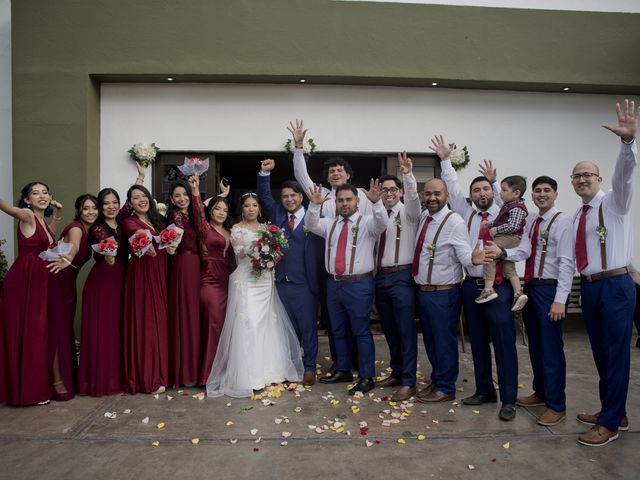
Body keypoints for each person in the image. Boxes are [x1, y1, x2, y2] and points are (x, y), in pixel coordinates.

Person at [430, 134, 519, 421]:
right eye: (476, 190)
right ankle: (484, 390)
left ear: (493, 191)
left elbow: (519, 246)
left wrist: (504, 256)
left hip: (499, 288)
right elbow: (453, 187)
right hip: (471, 286)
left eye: (486, 189)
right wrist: (445, 160)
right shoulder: (466, 213)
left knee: (504, 342)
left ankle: (508, 398)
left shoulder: (505, 214)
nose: (481, 194)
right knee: (477, 341)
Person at [571, 99, 638, 447]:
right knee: (600, 353)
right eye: (576, 176)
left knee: (615, 354)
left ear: (598, 179)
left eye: (587, 175)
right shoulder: (578, 215)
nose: (582, 179)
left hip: (615, 285)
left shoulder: (615, 202)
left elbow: (625, 175)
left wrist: (628, 144)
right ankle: (614, 410)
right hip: (591, 287)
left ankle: (610, 423)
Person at [487, 176, 574, 426]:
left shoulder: (563, 221)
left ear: (555, 194)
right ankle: (541, 393)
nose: (542, 194)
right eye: (537, 191)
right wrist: (504, 252)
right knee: (535, 346)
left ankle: (557, 405)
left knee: (551, 349)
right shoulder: (533, 220)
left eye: (547, 190)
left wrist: (560, 299)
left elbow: (568, 263)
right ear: (532, 195)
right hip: (533, 286)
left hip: (551, 289)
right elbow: (524, 249)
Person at [206, 192, 304, 398]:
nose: (251, 209)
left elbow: (276, 254)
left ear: (259, 208)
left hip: (265, 280)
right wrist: (259, 248)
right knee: (249, 323)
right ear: (242, 209)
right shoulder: (236, 228)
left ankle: (269, 371)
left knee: (267, 323)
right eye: (247, 206)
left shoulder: (267, 229)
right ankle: (248, 375)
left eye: (254, 205)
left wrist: (271, 253)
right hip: (247, 280)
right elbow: (240, 252)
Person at [289, 119, 364, 373]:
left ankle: (358, 361)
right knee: (333, 318)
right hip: (325, 261)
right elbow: (300, 174)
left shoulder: (360, 196)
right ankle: (339, 362)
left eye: (339, 170)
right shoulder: (319, 195)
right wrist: (298, 147)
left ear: (348, 175)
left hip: (356, 265)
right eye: (331, 171)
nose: (335, 173)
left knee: (357, 317)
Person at [305, 181, 388, 395]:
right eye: (340, 200)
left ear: (357, 201)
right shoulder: (329, 223)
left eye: (348, 199)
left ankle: (367, 376)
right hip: (333, 283)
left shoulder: (368, 222)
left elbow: (383, 223)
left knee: (360, 331)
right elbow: (311, 224)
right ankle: (343, 369)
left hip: (359, 284)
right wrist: (314, 205)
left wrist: (377, 202)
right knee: (338, 330)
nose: (344, 203)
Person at [412, 178, 487, 403]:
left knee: (444, 342)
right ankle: (438, 379)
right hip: (424, 291)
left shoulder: (454, 222)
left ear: (446, 196)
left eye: (437, 194)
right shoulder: (425, 217)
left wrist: (474, 260)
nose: (432, 198)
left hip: (444, 293)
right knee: (431, 341)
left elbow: (464, 256)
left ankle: (446, 387)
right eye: (428, 194)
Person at [78, 165, 145, 396]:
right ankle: (103, 381)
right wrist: (108, 253)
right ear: (99, 207)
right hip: (104, 280)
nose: (111, 206)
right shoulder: (98, 228)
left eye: (113, 202)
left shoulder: (123, 218)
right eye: (105, 203)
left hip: (123, 277)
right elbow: (108, 247)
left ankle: (120, 377)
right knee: (105, 330)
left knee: (120, 329)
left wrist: (140, 178)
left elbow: (131, 200)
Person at [257, 158, 324, 386]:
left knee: (308, 328)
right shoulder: (277, 215)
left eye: (293, 195)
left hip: (306, 283)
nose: (288, 199)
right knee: (286, 329)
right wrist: (264, 174)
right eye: (285, 196)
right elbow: (264, 197)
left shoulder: (315, 217)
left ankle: (309, 367)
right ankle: (292, 366)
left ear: (301, 197)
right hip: (282, 283)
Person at [0, 182, 61, 405]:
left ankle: (29, 388)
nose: (42, 196)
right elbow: (8, 209)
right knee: (30, 332)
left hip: (37, 281)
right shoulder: (26, 214)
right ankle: (28, 392)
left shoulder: (42, 221)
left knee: (35, 332)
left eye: (45, 192)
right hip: (23, 282)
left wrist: (58, 215)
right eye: (35, 193)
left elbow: (49, 243)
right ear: (27, 199)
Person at [373, 152, 421, 401]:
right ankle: (397, 372)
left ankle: (409, 381)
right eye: (384, 190)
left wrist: (408, 174)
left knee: (405, 330)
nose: (388, 193)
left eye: (393, 189)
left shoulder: (410, 213)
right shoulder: (378, 213)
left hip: (402, 276)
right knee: (389, 329)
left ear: (400, 192)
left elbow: (413, 198)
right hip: (380, 277)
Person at [46, 193, 99, 401]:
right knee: (57, 330)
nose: (91, 212)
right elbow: (74, 245)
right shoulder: (77, 228)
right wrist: (69, 255)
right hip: (56, 279)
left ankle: (68, 377)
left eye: (94, 208)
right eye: (86, 208)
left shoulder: (92, 231)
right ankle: (56, 380)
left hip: (68, 282)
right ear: (79, 211)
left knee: (64, 328)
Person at [122, 185, 172, 394]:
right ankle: (148, 377)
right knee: (147, 321)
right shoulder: (128, 222)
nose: (141, 200)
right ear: (130, 203)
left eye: (144, 196)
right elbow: (136, 236)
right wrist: (143, 239)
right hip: (142, 273)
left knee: (159, 321)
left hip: (159, 272)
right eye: (136, 197)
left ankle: (161, 373)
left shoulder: (157, 220)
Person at [188, 174, 234, 386]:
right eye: (217, 209)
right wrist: (196, 191)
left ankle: (224, 373)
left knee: (226, 328)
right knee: (213, 326)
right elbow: (197, 210)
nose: (221, 213)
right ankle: (208, 376)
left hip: (228, 284)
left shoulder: (230, 231)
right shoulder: (205, 228)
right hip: (209, 284)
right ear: (210, 211)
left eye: (224, 209)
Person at [475, 175, 529, 312]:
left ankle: (488, 289)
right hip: (508, 237)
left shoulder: (517, 208)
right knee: (508, 264)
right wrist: (490, 223)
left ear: (516, 193)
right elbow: (502, 220)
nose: (500, 193)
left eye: (504, 190)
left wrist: (495, 229)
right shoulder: (509, 206)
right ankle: (518, 292)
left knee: (489, 254)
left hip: (509, 237)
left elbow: (513, 226)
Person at [166, 179, 201, 387]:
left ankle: (196, 368)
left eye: (185, 194)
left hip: (198, 264)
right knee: (186, 314)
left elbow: (201, 217)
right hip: (184, 263)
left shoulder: (194, 213)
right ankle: (185, 370)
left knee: (196, 314)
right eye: (177, 195)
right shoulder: (175, 216)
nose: (181, 199)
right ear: (171, 198)